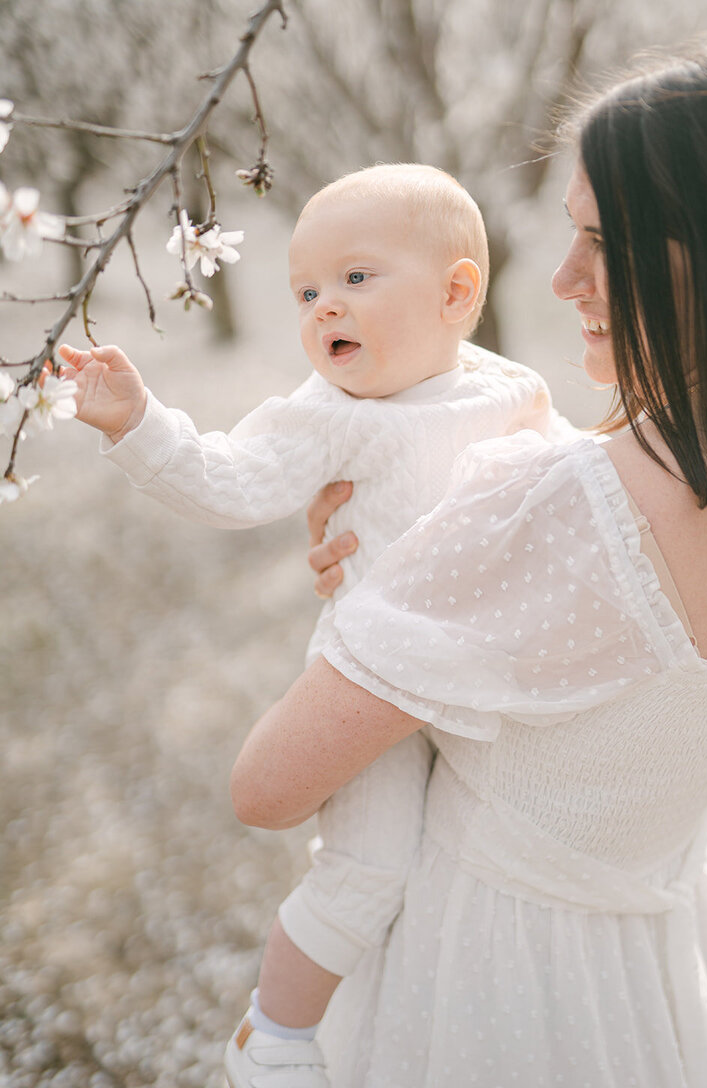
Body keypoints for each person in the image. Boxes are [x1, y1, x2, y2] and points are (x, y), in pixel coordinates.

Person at [228, 35, 707, 1088]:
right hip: (655, 966)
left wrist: (366, 606)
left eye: (605, 240)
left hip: (484, 979)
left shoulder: (552, 516)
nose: (561, 277)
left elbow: (266, 787)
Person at [57, 163, 575, 1088]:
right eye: (306, 291)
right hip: (373, 678)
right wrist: (137, 423)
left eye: (355, 280)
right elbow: (230, 479)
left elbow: (578, 487)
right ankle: (276, 1037)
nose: (323, 307)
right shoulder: (330, 414)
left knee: (463, 869)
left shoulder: (510, 389)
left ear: (457, 293)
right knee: (367, 870)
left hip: (479, 674)